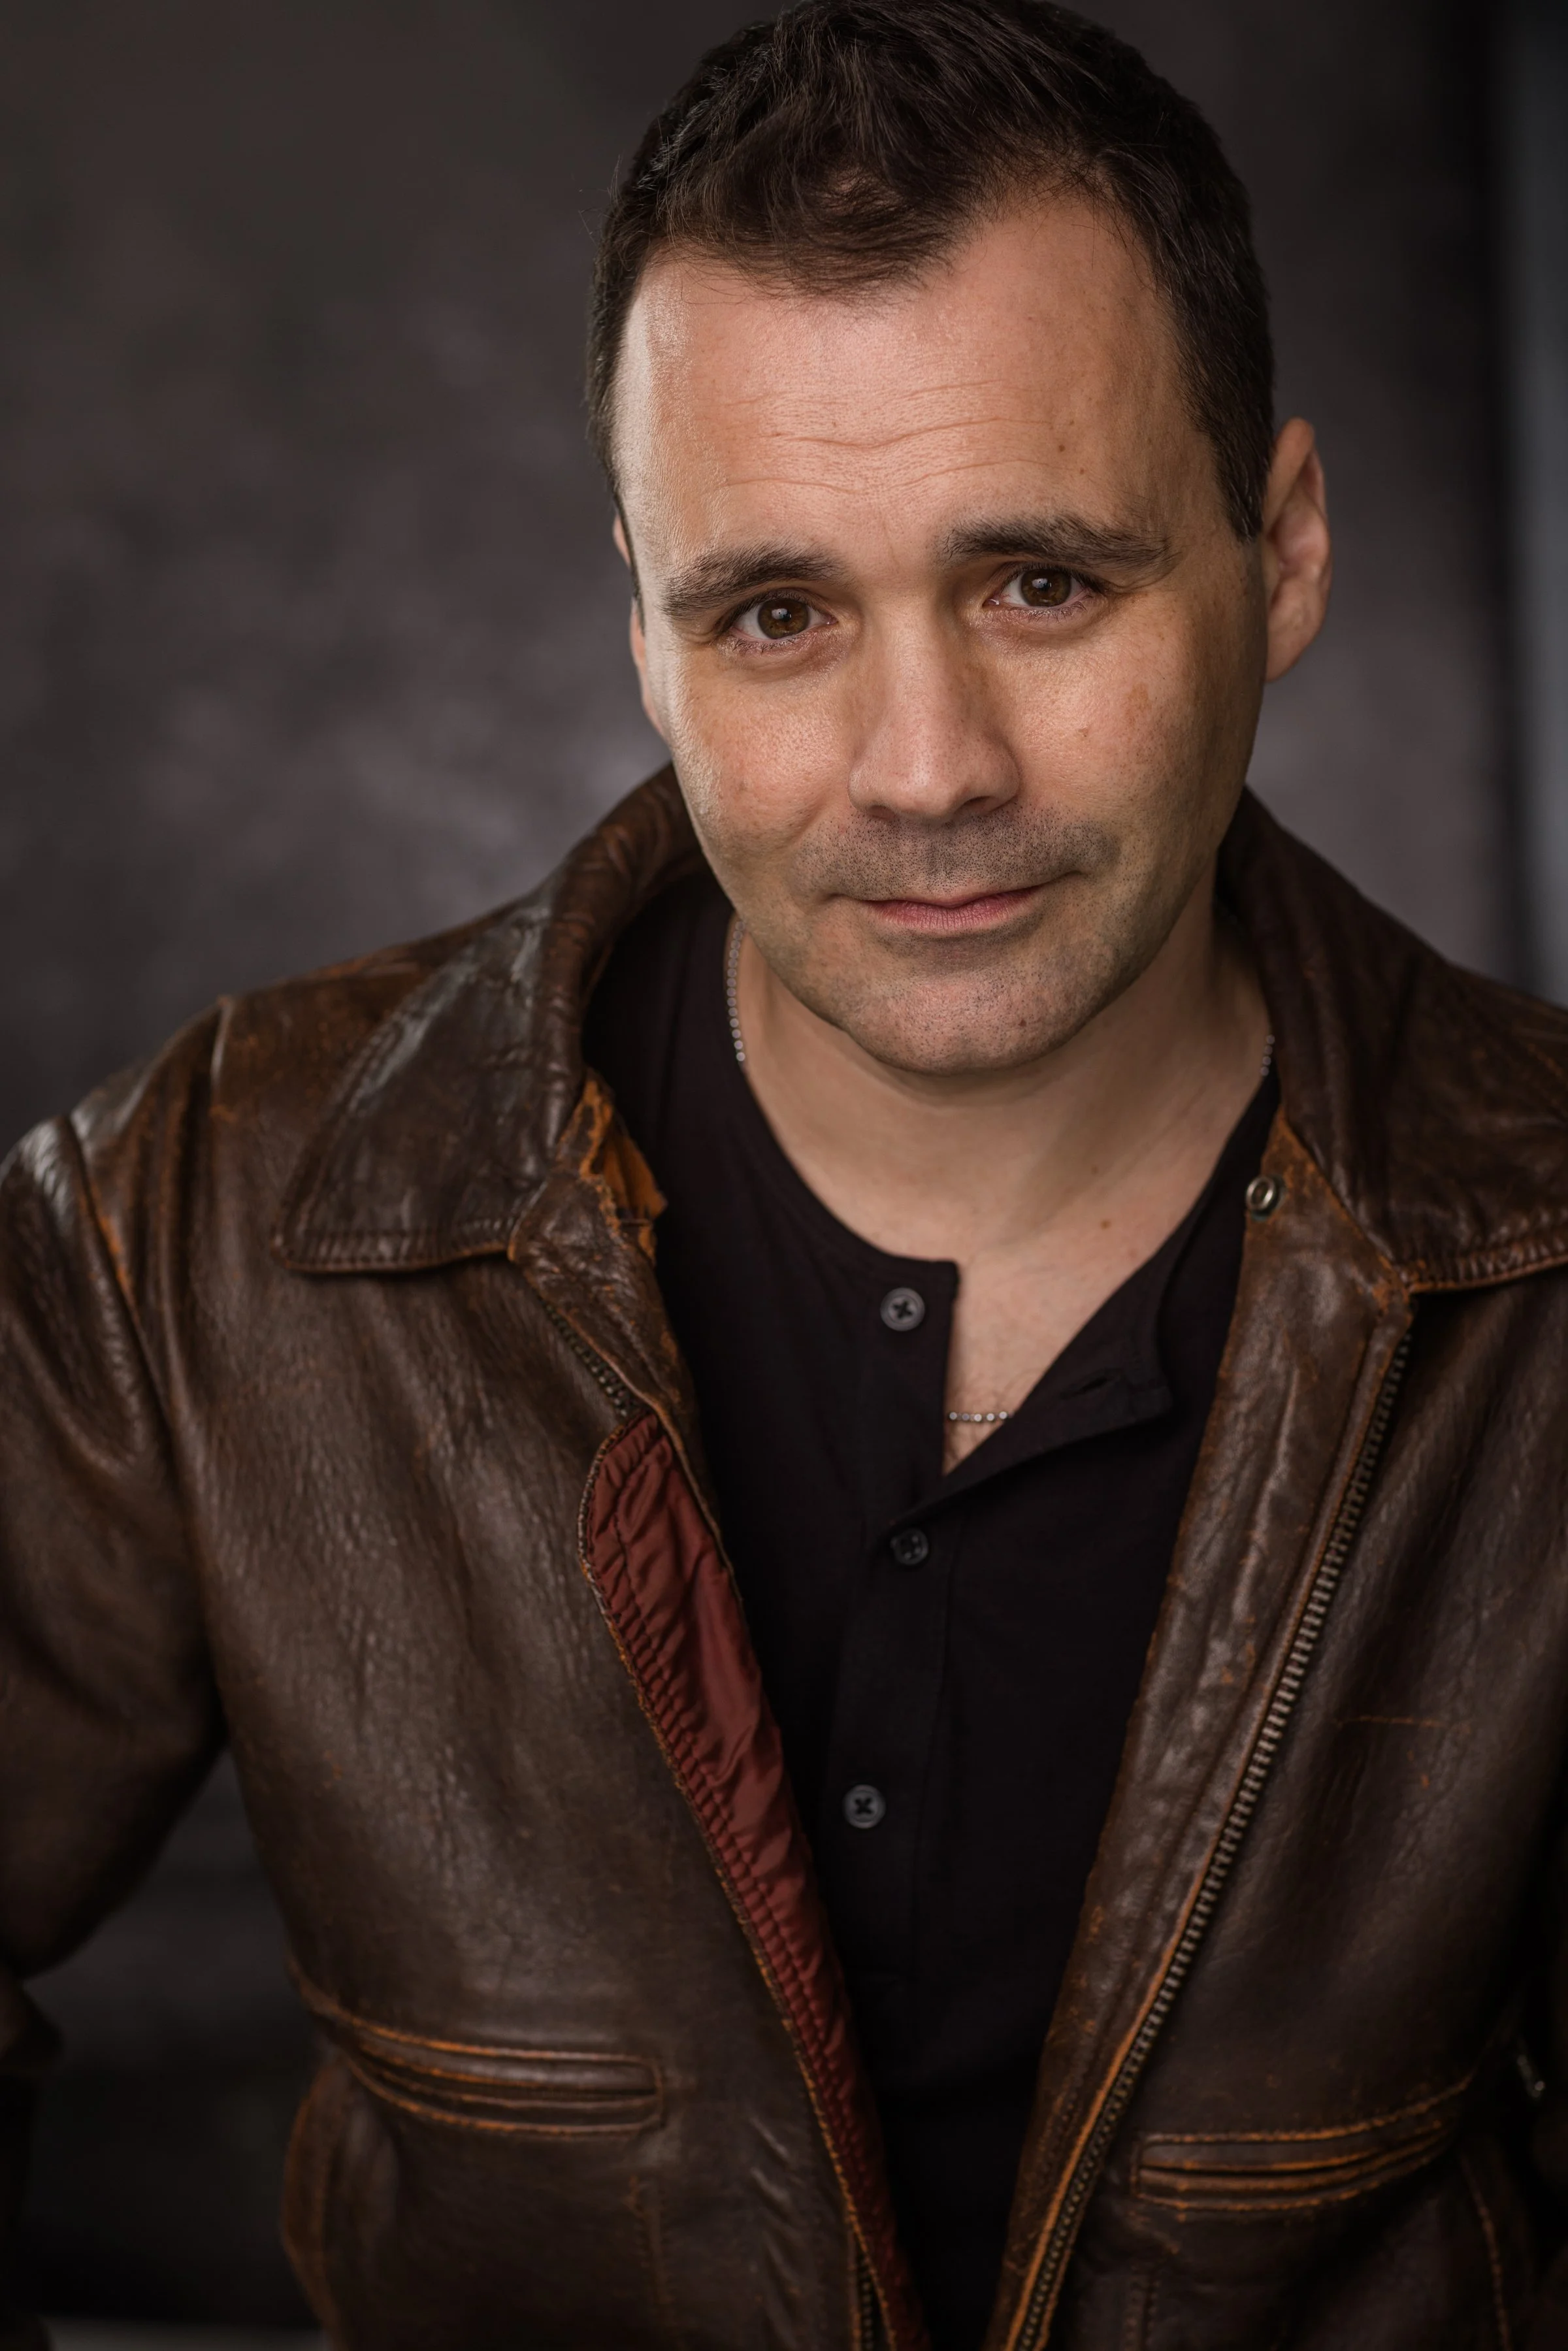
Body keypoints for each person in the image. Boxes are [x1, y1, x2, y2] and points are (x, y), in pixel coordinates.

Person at [0, 1, 1563, 2344]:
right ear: (643, 629)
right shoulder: (207, 1214)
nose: (922, 766)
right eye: (777, 613)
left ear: (1287, 549)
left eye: (1043, 581)